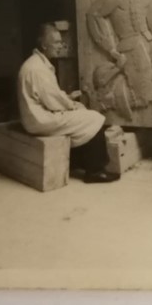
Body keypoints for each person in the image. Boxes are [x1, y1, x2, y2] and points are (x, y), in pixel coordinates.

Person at [17, 22, 119, 184]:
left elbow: (48, 96)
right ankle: (95, 171)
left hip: (37, 115)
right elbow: (53, 102)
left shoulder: (36, 63)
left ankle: (77, 163)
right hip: (40, 120)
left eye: (61, 41)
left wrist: (68, 98)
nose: (60, 45)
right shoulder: (37, 69)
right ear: (44, 45)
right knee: (94, 117)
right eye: (56, 42)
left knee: (81, 115)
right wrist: (71, 104)